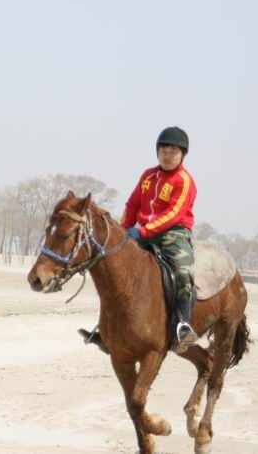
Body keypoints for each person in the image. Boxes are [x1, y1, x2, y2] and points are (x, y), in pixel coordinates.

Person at [79, 126, 198, 354]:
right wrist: (124, 231)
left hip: (174, 234)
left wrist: (143, 232)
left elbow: (173, 213)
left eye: (174, 151)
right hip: (142, 231)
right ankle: (107, 329)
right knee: (114, 270)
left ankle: (183, 325)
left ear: (182, 154)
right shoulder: (147, 176)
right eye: (163, 149)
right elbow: (133, 204)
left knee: (183, 274)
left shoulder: (184, 181)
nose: (168, 154)